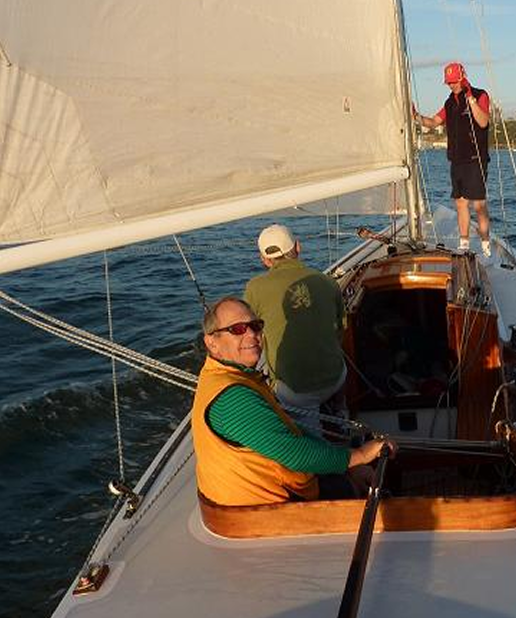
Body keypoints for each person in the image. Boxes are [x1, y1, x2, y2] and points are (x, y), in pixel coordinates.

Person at [192, 296, 392, 507]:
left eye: (255, 326)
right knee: (370, 489)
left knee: (358, 475)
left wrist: (347, 466)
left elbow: (290, 435)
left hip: (282, 485)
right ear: (211, 342)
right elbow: (295, 455)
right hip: (270, 507)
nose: (251, 334)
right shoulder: (232, 398)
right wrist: (360, 455)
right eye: (238, 329)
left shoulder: (231, 376)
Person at [244, 224, 347, 432]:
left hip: (295, 392)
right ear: (298, 247)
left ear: (264, 259)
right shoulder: (327, 282)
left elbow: (248, 334)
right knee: (338, 366)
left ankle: (321, 447)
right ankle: (342, 414)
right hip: (336, 378)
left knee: (311, 437)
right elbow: (341, 330)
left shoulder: (255, 288)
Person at [414, 62, 492, 257]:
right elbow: (433, 122)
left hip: (475, 159)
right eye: (448, 83)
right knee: (460, 203)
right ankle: (464, 243)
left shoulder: (480, 95)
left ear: (463, 77)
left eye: (454, 82)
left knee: (479, 205)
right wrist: (416, 116)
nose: (451, 86)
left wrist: (470, 99)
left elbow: (483, 122)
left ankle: (485, 243)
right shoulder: (449, 102)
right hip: (456, 160)